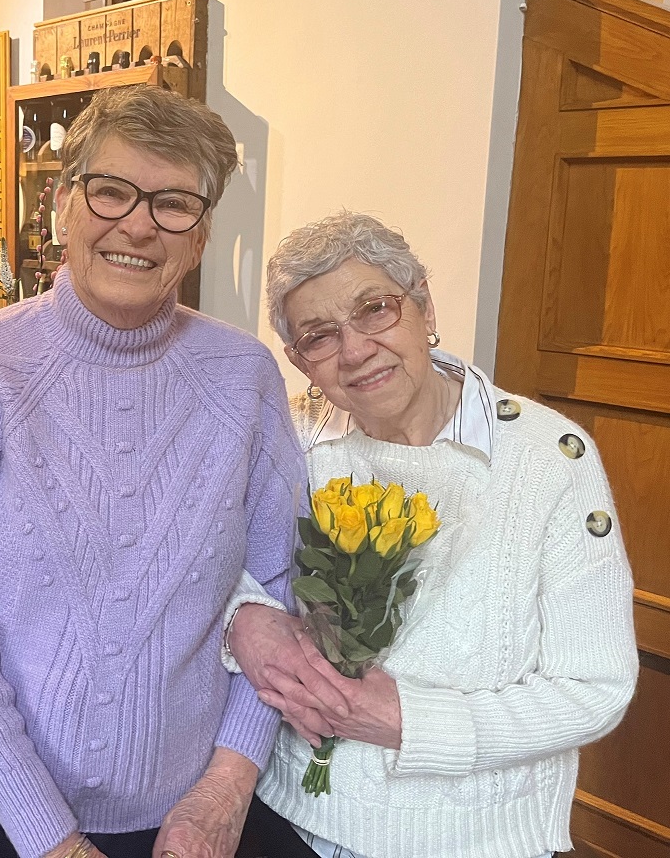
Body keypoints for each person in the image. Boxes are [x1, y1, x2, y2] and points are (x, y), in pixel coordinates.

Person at [0, 85, 305, 858]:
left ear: (201, 235)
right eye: (111, 190)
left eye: (173, 203)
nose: (138, 224)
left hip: (185, 813)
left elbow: (281, 589)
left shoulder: (245, 376)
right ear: (62, 204)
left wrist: (228, 782)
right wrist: (48, 835)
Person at [224, 212, 638, 858]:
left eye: (375, 309)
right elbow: (206, 570)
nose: (355, 349)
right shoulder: (293, 438)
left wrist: (408, 722)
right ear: (298, 358)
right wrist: (242, 619)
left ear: (422, 304)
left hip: (473, 839)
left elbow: (594, 690)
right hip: (289, 817)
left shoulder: (547, 459)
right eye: (319, 335)